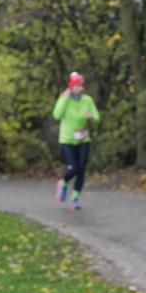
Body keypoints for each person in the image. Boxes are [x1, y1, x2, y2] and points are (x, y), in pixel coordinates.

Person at [52, 71, 100, 210]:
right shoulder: (64, 99)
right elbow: (57, 115)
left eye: (81, 85)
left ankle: (74, 198)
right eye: (78, 86)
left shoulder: (87, 100)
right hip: (67, 139)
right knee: (72, 167)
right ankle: (63, 182)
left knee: (82, 169)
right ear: (71, 87)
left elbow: (97, 117)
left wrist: (91, 116)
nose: (81, 88)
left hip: (83, 139)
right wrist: (64, 99)